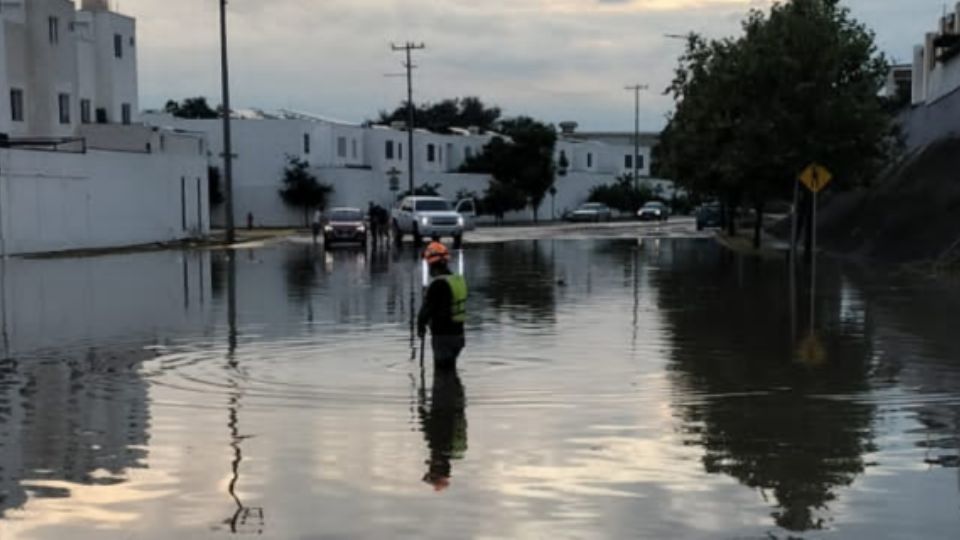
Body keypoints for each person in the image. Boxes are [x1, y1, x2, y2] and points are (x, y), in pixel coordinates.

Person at [417, 242, 467, 370]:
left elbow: (425, 311)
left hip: (443, 337)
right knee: (451, 372)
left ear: (433, 265)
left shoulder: (438, 284)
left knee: (441, 376)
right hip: (459, 336)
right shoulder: (457, 281)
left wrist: (420, 328)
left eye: (428, 265)